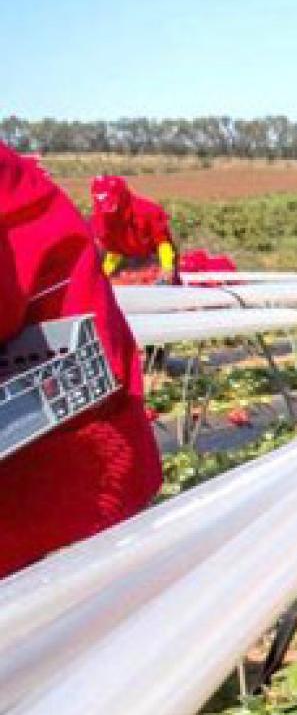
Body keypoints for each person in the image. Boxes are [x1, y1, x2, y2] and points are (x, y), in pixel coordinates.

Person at [0, 146, 162, 577]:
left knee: (72, 600)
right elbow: (102, 244)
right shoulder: (102, 212)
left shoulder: (145, 212)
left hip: (68, 428)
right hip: (41, 374)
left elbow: (161, 244)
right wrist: (111, 266)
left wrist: (166, 274)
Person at [89, 174, 178, 285]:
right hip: (126, 263)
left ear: (122, 196)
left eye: (112, 205)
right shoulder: (101, 218)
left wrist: (167, 267)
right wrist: (103, 275)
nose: (109, 211)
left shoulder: (148, 212)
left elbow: (162, 243)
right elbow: (114, 250)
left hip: (155, 259)